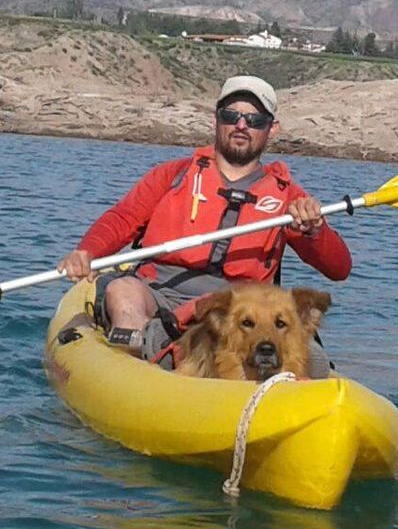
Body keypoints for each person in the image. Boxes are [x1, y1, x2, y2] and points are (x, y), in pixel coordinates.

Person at [58, 75, 351, 370]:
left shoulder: (291, 199)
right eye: (231, 115)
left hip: (238, 310)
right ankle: (141, 368)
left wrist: (315, 231)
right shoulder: (173, 175)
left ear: (272, 129)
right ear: (216, 119)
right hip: (160, 292)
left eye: (254, 120)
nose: (241, 125)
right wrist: (88, 252)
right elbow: (122, 218)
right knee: (122, 291)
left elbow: (339, 269)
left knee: (311, 359)